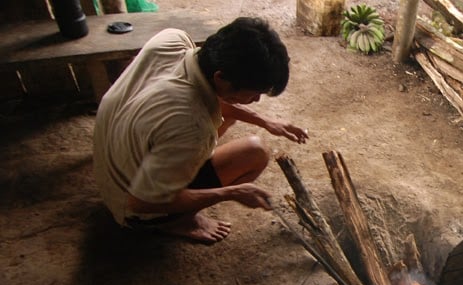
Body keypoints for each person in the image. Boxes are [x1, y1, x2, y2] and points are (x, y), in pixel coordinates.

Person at [92, 17, 308, 243]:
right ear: (220, 78)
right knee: (255, 153)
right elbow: (141, 201)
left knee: (227, 117)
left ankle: (176, 183)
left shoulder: (173, 40)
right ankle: (179, 222)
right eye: (254, 93)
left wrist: (265, 121)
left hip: (111, 167)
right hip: (132, 206)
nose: (256, 100)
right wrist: (231, 192)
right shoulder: (192, 125)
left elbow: (206, 96)